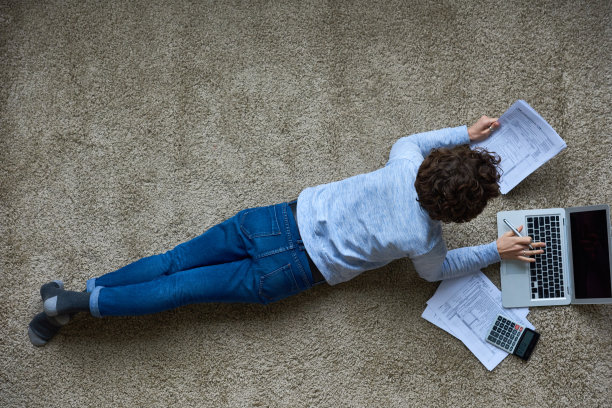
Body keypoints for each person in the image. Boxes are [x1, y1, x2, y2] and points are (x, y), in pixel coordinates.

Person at [28, 115, 545, 346]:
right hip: (295, 270)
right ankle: (79, 306)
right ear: (456, 215)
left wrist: (464, 133)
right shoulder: (425, 239)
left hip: (272, 222)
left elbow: (413, 136)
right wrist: (493, 250)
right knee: (183, 292)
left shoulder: (405, 159)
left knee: (172, 263)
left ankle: (76, 297)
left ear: (435, 163)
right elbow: (438, 272)